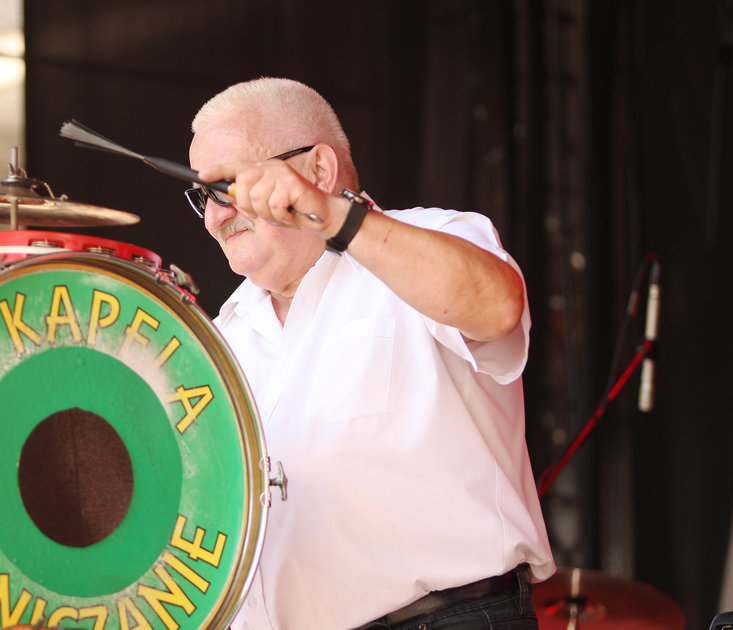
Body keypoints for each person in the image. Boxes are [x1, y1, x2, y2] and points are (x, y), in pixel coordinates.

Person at [187, 77, 555, 630]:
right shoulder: (220, 338)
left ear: (318, 171)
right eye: (202, 196)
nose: (215, 217)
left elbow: (497, 305)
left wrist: (333, 216)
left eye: (228, 186)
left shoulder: (434, 235)